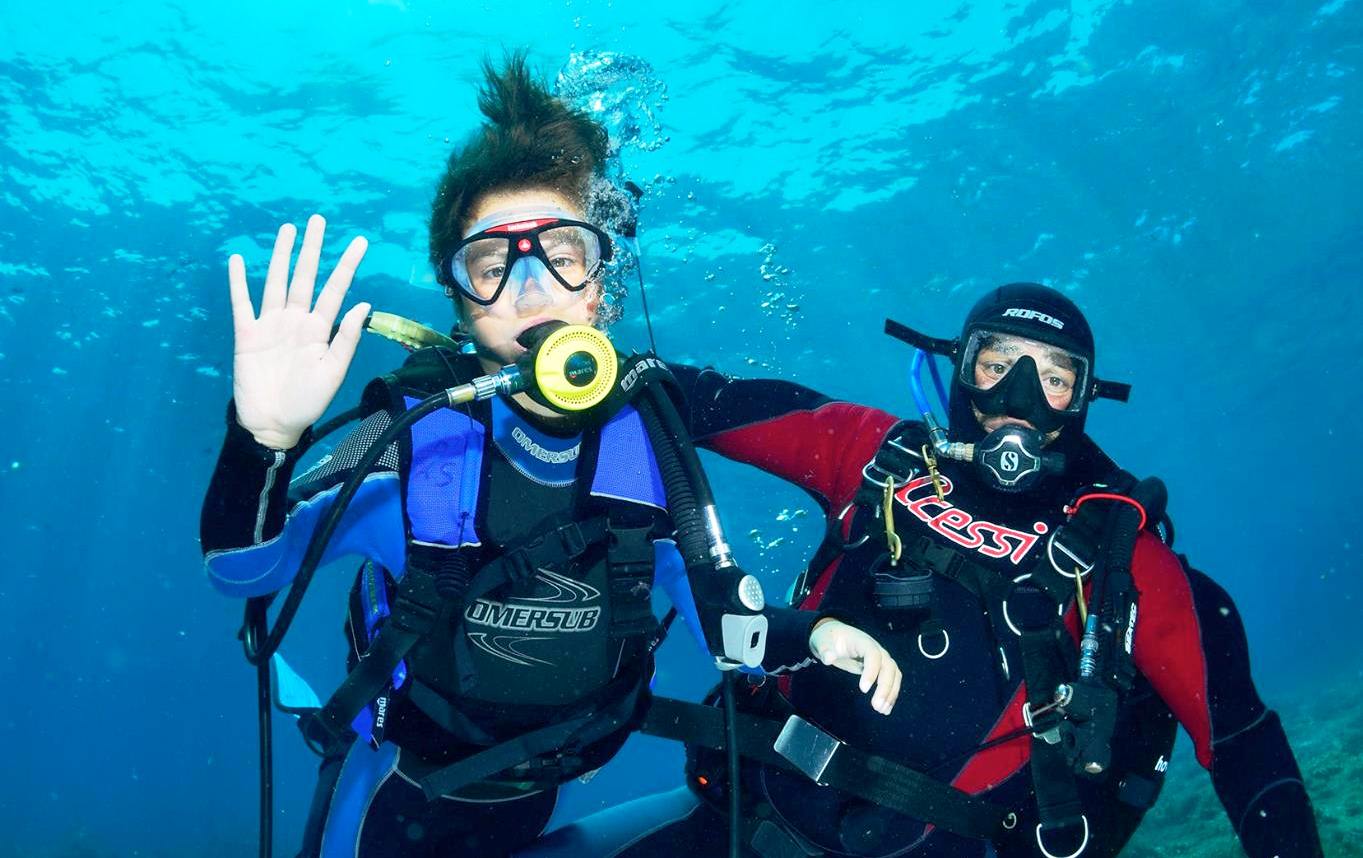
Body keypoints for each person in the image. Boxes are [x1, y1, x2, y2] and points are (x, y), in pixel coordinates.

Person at [199, 56, 901, 858]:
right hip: (400, 793)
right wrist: (263, 442)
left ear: (600, 285)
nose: (530, 289)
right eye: (491, 266)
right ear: (461, 306)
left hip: (549, 785)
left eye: (561, 253)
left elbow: (726, 627)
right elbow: (242, 573)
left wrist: (807, 637)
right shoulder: (414, 444)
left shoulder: (649, 443)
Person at [523, 282, 1323, 857]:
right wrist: (560, 357)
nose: (1019, 395)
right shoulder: (876, 455)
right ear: (957, 366)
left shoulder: (1120, 556)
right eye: (996, 362)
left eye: (1053, 377)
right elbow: (692, 400)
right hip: (739, 812)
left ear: (1082, 400)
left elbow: (1243, 741)